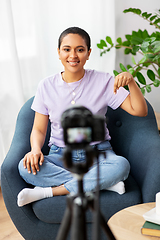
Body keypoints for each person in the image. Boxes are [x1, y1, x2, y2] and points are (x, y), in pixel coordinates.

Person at [17, 27, 148, 207]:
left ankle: (51, 191)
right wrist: (35, 150)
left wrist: (131, 82)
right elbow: (39, 129)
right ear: (58, 52)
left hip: (99, 153)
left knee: (121, 165)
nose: (73, 55)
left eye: (80, 49)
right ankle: (102, 183)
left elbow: (140, 111)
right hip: (61, 156)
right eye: (67, 49)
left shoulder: (104, 81)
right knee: (24, 167)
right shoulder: (46, 86)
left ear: (88, 53)